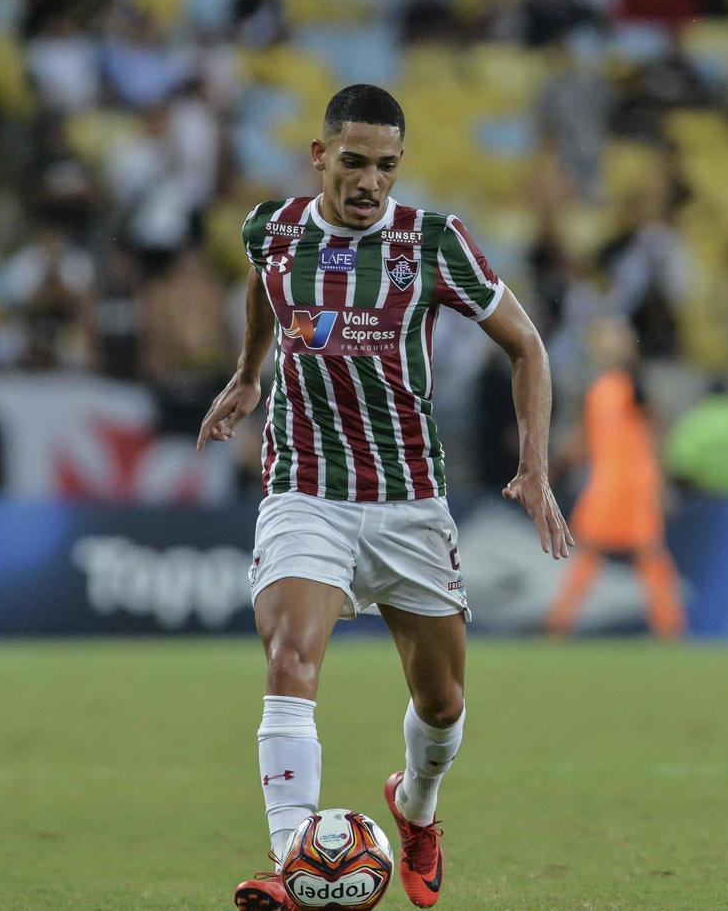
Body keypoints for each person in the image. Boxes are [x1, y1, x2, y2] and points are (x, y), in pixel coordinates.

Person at [200, 84, 572, 911]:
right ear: (320, 155)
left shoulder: (433, 242)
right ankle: (292, 863)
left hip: (408, 500)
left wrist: (534, 466)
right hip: (307, 490)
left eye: (387, 168)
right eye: (356, 163)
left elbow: (527, 347)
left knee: (441, 705)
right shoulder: (273, 228)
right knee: (289, 660)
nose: (370, 183)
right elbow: (263, 286)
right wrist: (247, 372)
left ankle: (416, 807)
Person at [547, 317, 684, 641]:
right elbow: (587, 437)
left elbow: (655, 431)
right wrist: (556, 463)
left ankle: (669, 626)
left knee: (648, 552)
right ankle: (559, 623)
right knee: (591, 552)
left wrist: (660, 480)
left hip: (635, 480)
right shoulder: (597, 389)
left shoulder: (635, 387)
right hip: (607, 480)